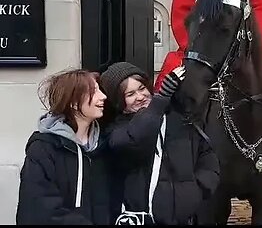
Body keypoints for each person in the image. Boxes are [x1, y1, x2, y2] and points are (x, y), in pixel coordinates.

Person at [99, 61, 220, 225]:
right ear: (119, 101)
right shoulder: (115, 131)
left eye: (142, 89)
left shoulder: (177, 119)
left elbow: (206, 154)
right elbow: (137, 138)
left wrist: (199, 188)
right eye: (130, 94)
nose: (140, 97)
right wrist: (160, 100)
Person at [16, 69, 114, 225]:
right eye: (94, 92)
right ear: (73, 102)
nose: (103, 97)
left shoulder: (104, 145)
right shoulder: (44, 149)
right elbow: (38, 209)